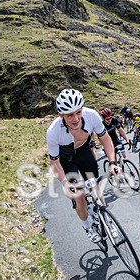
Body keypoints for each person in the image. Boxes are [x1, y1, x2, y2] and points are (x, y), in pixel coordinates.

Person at [46, 89, 121, 243]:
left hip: (84, 153)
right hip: (66, 160)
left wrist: (113, 162)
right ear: (61, 115)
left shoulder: (91, 115)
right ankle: (86, 226)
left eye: (78, 112)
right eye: (69, 115)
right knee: (79, 196)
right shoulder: (53, 132)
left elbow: (106, 140)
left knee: (96, 188)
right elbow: (55, 162)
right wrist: (65, 183)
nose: (76, 119)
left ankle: (107, 221)